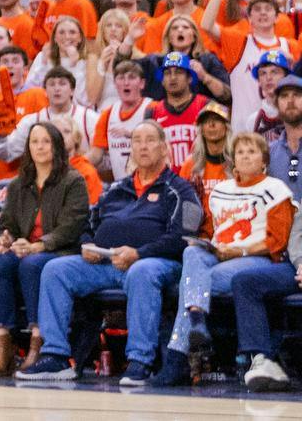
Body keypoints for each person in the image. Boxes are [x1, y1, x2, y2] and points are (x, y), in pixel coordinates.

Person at [19, 120, 198, 386]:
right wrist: (88, 244)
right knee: (56, 269)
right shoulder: (117, 189)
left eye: (150, 140)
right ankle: (55, 354)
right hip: (105, 262)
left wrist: (138, 253)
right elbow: (88, 225)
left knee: (141, 272)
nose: (143, 146)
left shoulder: (180, 189)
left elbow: (183, 237)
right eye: (137, 141)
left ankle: (140, 361)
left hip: (155, 264)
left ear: (164, 148)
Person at [160, 129, 293, 386]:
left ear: (264, 160)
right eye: (240, 152)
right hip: (220, 253)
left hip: (256, 258)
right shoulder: (221, 190)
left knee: (197, 281)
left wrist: (239, 251)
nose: (245, 157)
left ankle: (177, 354)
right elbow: (210, 230)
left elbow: (277, 241)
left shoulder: (275, 189)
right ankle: (197, 321)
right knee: (192, 252)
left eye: (252, 152)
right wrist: (206, 244)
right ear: (232, 159)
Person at [0, 120, 90, 376]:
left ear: (56, 146)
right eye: (34, 141)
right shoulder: (18, 184)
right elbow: (7, 224)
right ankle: (4, 344)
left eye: (46, 141)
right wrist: (4, 239)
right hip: (24, 249)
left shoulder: (73, 181)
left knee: (33, 264)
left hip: (59, 251)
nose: (40, 147)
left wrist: (38, 246)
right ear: (27, 147)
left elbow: (72, 226)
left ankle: (37, 341)